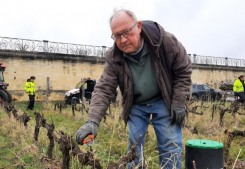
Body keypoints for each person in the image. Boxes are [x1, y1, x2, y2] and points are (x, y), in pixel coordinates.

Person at [76, 9, 192, 169]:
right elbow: (104, 88)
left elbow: (183, 71)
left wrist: (178, 102)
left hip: (163, 100)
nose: (122, 40)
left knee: (170, 146)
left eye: (126, 32)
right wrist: (92, 121)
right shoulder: (114, 56)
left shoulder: (165, 42)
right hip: (136, 104)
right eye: (117, 35)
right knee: (134, 148)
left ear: (138, 26)